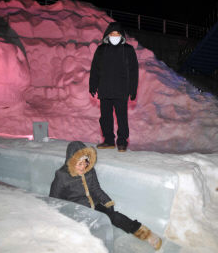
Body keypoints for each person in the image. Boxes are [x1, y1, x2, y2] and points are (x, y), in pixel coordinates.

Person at [49, 141, 162, 250]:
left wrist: (107, 201)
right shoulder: (62, 176)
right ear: (72, 161)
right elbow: (54, 199)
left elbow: (96, 189)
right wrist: (65, 215)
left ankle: (144, 233)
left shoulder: (90, 171)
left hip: (94, 205)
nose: (83, 167)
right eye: (79, 164)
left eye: (85, 163)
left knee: (114, 216)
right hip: (77, 211)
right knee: (90, 234)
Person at [89, 22, 139, 152]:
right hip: (105, 89)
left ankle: (122, 142)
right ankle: (109, 140)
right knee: (105, 117)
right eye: (112, 34)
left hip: (121, 90)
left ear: (121, 35)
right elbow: (95, 68)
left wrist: (133, 89)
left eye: (117, 34)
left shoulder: (128, 50)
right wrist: (93, 85)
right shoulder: (101, 49)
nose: (115, 36)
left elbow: (134, 71)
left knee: (121, 117)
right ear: (108, 35)